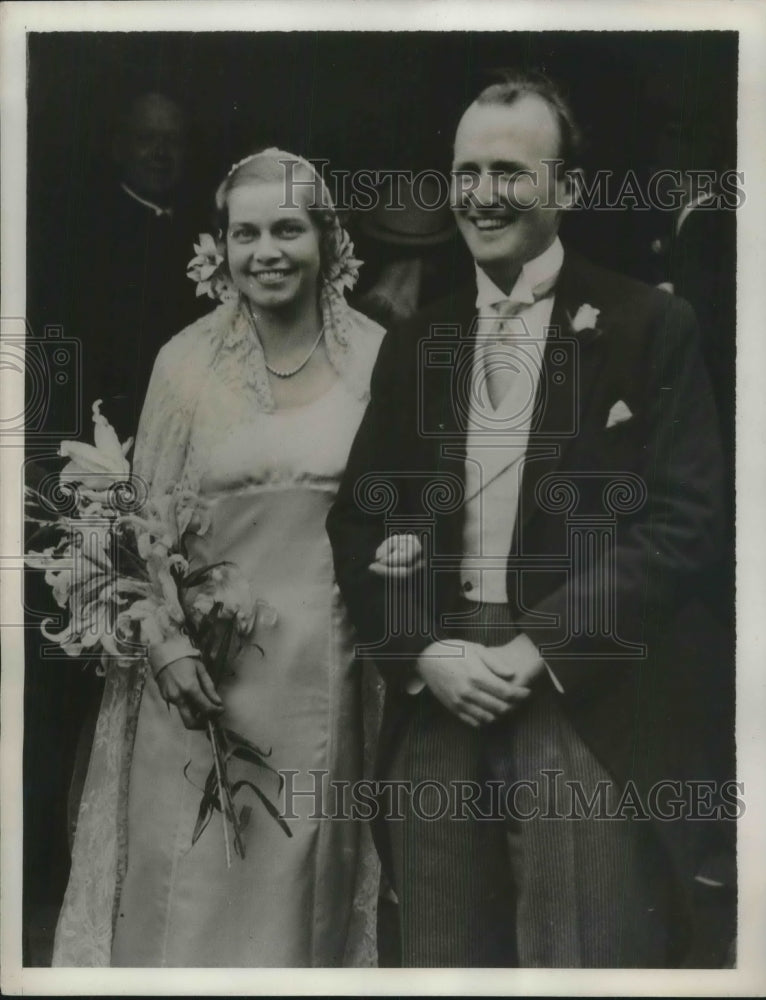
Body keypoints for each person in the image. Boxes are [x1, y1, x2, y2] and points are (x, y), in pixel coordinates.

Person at [327, 71, 729, 967]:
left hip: (580, 692)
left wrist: (538, 646)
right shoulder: (417, 340)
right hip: (440, 690)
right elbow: (356, 521)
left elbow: (686, 524)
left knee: (579, 957)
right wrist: (423, 650)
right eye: (466, 173)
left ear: (569, 190)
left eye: (510, 172)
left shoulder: (649, 324)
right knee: (439, 959)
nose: (480, 195)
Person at [52, 149, 385, 967]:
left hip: (326, 677)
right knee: (187, 894)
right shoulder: (187, 363)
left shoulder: (381, 358)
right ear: (221, 248)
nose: (266, 250)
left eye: (287, 228)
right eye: (246, 232)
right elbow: (130, 524)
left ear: (327, 239)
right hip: (198, 676)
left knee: (300, 903)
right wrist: (163, 643)